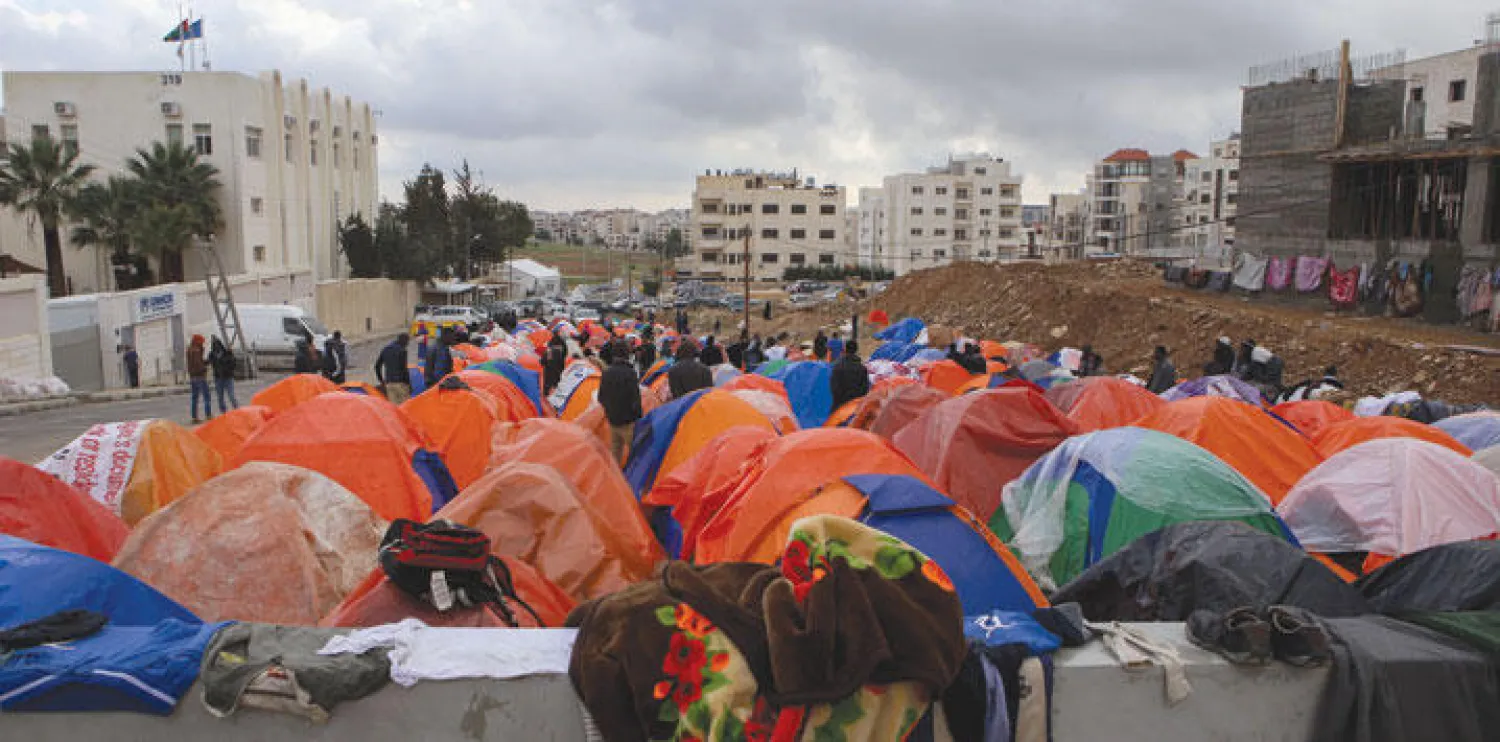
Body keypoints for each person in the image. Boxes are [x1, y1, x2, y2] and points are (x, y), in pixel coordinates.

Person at [598, 341, 644, 464]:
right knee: (637, 453)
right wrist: (638, 417)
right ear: (627, 354)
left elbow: (601, 397)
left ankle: (615, 479)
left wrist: (610, 411)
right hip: (628, 421)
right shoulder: (630, 373)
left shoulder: (606, 372)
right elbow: (635, 398)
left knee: (615, 453)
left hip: (613, 420)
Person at [829, 341, 871, 411]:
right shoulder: (862, 368)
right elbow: (865, 389)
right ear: (856, 350)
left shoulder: (837, 367)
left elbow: (834, 388)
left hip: (839, 409)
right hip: (855, 408)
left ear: (845, 349)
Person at [375, 333, 411, 404]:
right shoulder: (402, 351)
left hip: (389, 383)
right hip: (401, 384)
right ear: (405, 341)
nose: (407, 345)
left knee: (395, 409)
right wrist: (409, 384)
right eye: (407, 342)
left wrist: (382, 381)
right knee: (405, 408)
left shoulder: (385, 349)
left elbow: (377, 366)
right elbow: (404, 369)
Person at [208, 337, 239, 414]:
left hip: (227, 377)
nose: (216, 347)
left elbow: (233, 363)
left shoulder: (227, 353)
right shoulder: (212, 355)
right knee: (220, 398)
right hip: (218, 378)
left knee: (231, 396)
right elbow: (210, 363)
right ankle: (224, 413)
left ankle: (237, 410)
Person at [186, 335, 211, 423]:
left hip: (192, 377)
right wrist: (204, 368)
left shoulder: (190, 349)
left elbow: (197, 362)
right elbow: (198, 364)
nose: (203, 343)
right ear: (198, 341)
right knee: (206, 396)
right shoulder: (196, 350)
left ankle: (194, 417)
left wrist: (204, 362)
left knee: (195, 398)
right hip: (199, 376)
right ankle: (208, 415)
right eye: (202, 341)